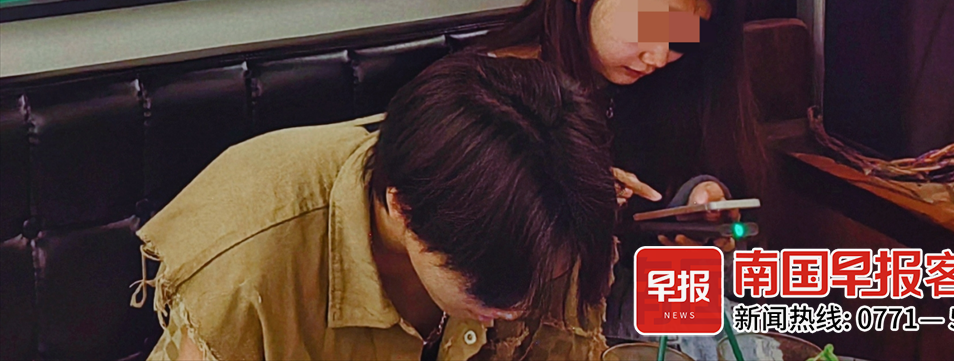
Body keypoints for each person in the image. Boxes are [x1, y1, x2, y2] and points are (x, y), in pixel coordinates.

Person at [135, 54, 617, 361]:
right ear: (402, 209)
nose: (519, 309)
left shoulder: (548, 212)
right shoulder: (250, 261)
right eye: (495, 293)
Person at [476, 0, 765, 334]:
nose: (659, 56)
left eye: (681, 37)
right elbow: (468, 268)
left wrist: (700, 203)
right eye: (645, 26)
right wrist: (571, 198)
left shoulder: (677, 77)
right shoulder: (491, 95)